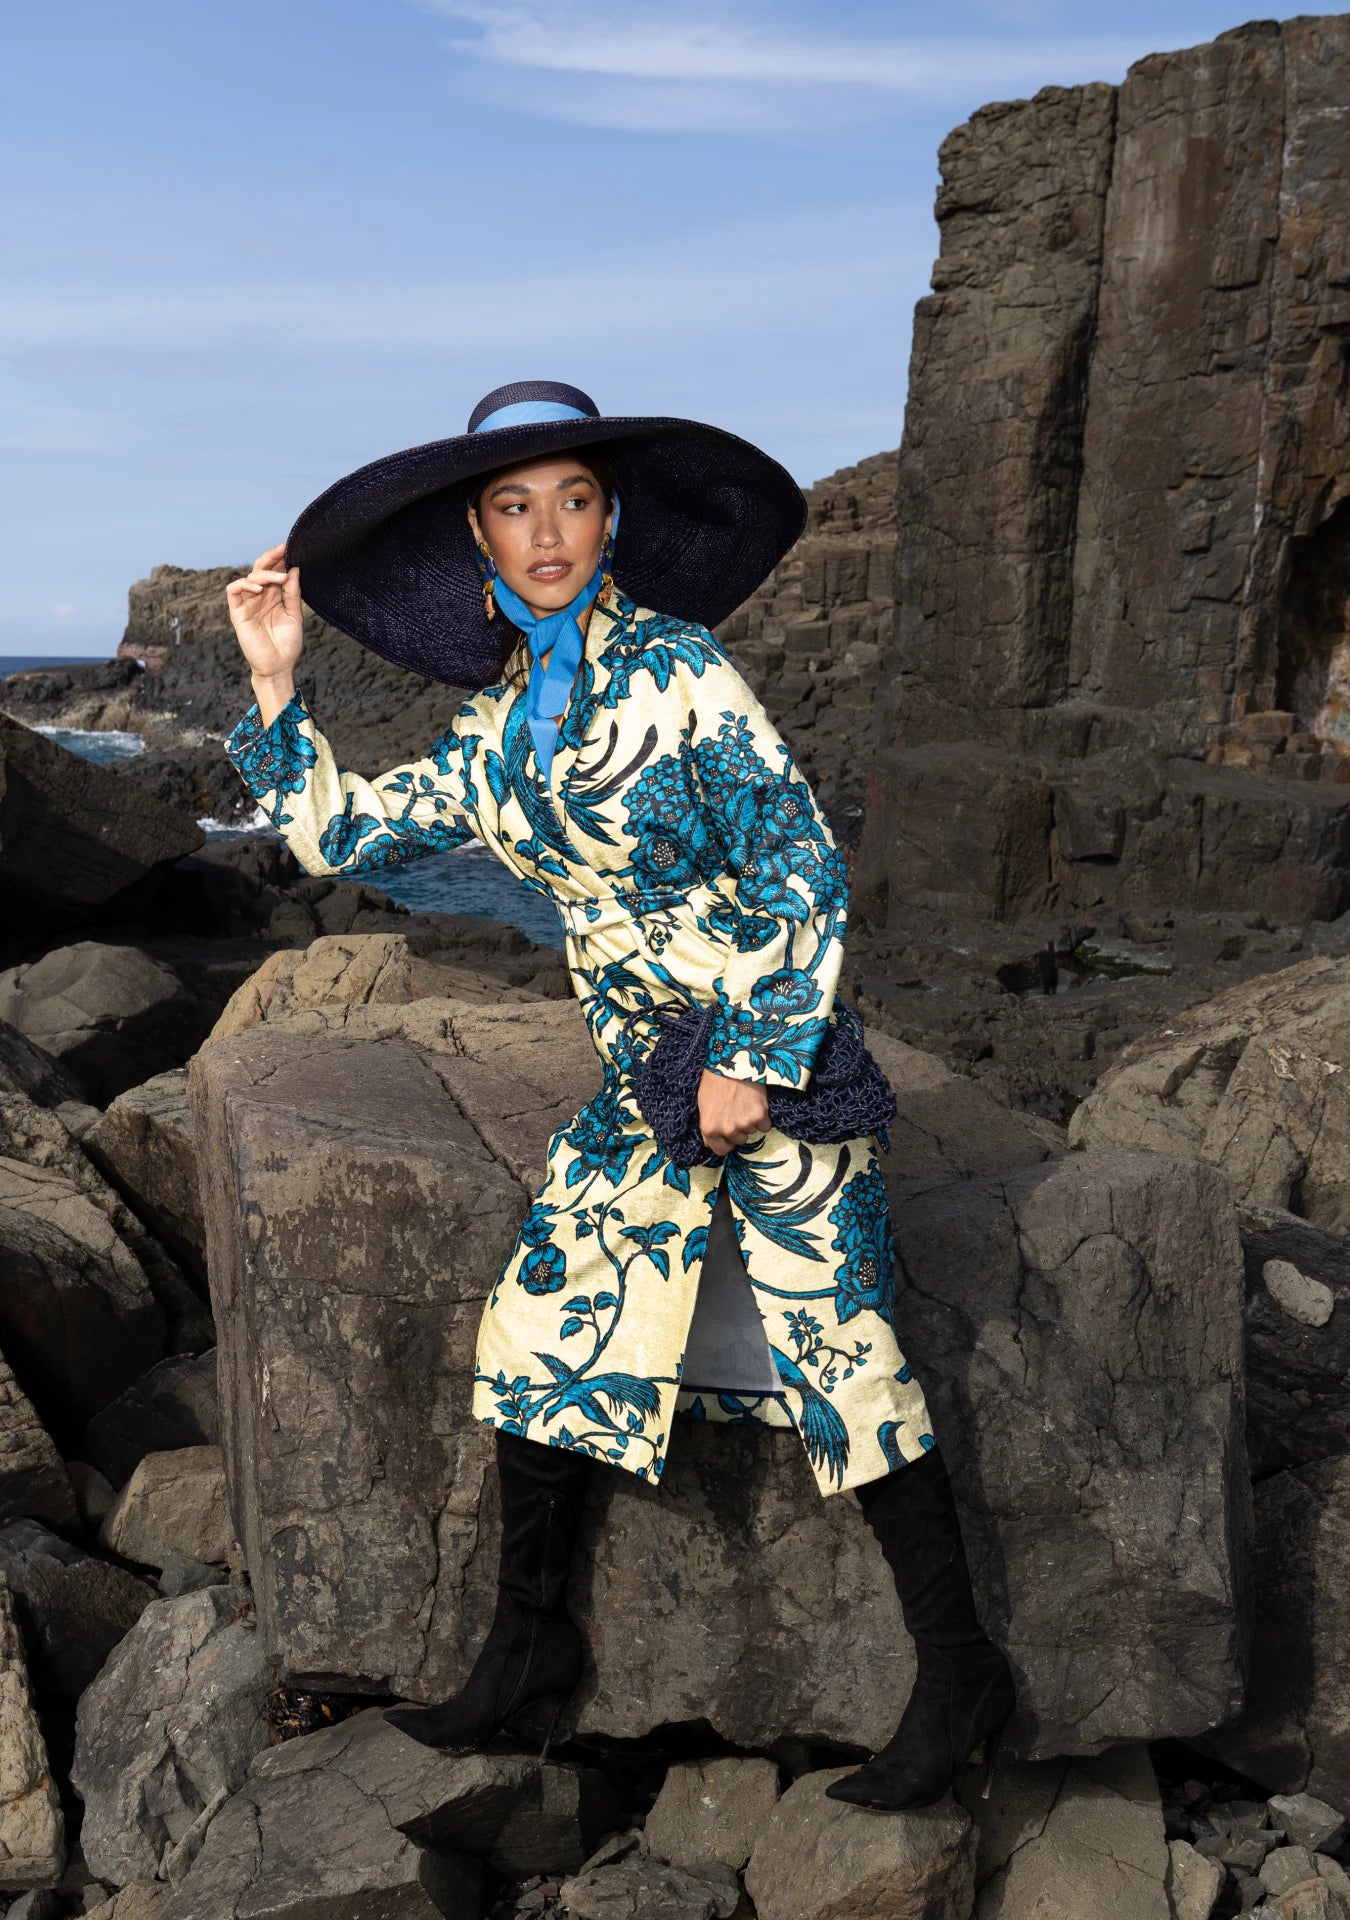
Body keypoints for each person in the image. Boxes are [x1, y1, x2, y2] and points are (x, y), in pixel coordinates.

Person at [222, 379, 1014, 1811]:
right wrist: (280, 685)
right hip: (642, 1083)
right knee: (537, 1336)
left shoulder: (681, 671)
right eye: (514, 506)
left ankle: (958, 1680)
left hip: (759, 1068)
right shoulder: (506, 710)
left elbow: (799, 867)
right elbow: (350, 833)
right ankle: (529, 1656)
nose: (546, 531)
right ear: (477, 533)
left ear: (612, 519)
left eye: (573, 500)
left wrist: (747, 1057)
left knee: (845, 1363)